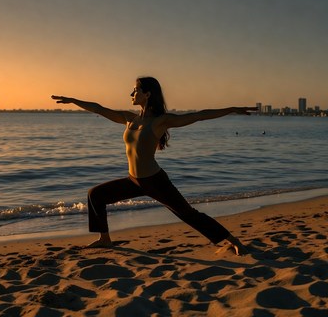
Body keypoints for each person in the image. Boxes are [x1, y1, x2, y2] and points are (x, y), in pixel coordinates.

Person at [51, 77, 257, 255]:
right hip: (134, 180)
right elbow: (99, 109)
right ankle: (105, 239)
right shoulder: (129, 119)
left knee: (188, 214)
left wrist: (232, 109)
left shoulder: (160, 121)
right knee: (95, 195)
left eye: (136, 90)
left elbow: (199, 115)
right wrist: (73, 100)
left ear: (147, 94)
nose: (131, 93)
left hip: (155, 181)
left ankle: (234, 241)